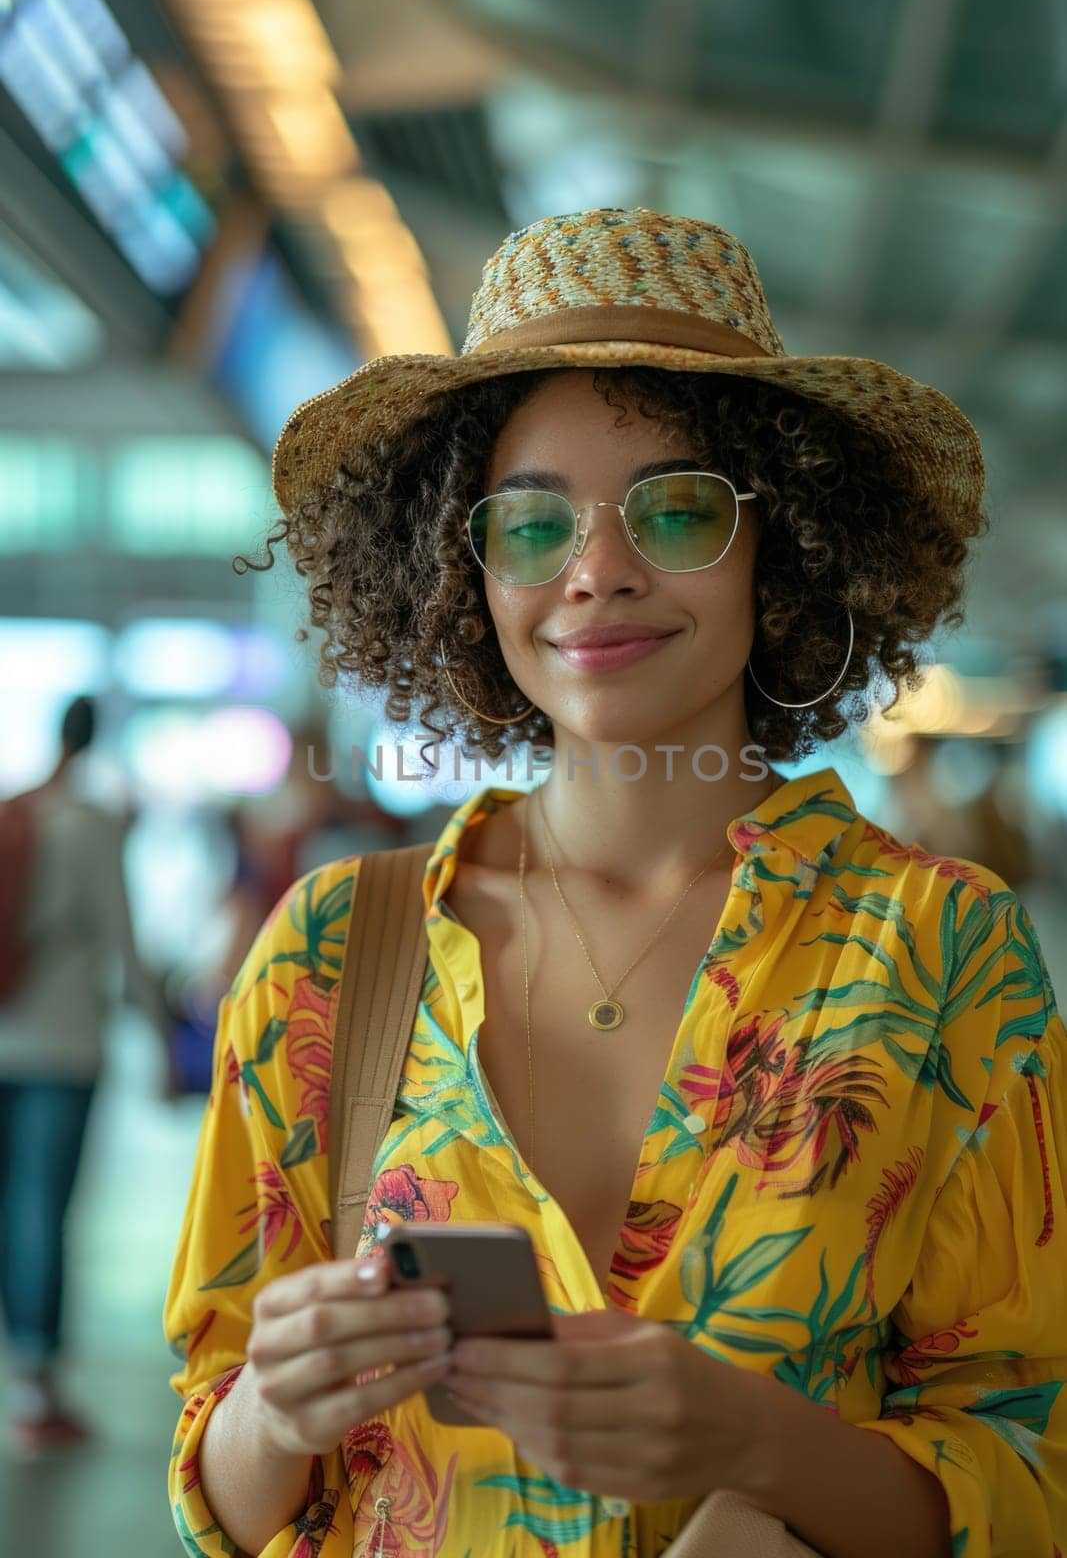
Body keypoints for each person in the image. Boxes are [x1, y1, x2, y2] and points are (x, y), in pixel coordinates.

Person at [164, 209, 1067, 1557]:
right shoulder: (332, 954)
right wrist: (273, 1414)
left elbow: (1024, 1468)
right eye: (530, 525)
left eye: (678, 509)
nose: (594, 570)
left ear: (784, 548)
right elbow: (214, 1485)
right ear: (464, 572)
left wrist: (755, 1444)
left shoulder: (938, 948)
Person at [0, 695, 172, 1451]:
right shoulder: (92, 824)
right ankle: (37, 1391)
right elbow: (121, 941)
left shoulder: (15, 811)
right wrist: (163, 1039)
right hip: (64, 1047)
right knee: (39, 1211)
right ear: (97, 738)